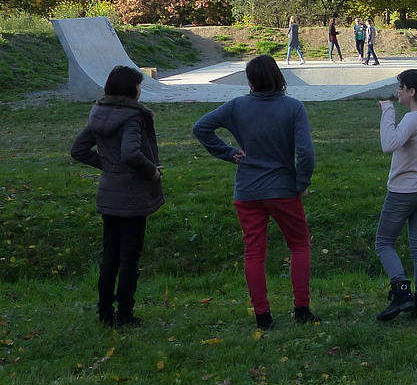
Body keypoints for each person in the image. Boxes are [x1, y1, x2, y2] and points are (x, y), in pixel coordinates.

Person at [192, 55, 318, 329]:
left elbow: (201, 128)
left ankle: (262, 315)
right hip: (283, 189)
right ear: (279, 76)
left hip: (247, 190)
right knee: (298, 246)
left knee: (254, 252)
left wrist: (227, 153)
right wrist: (301, 183)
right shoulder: (293, 107)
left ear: (250, 80)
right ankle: (301, 309)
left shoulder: (237, 106)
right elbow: (306, 152)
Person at [70, 65, 164, 327]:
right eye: (139, 85)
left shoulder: (99, 113)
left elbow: (78, 149)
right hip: (132, 196)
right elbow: (131, 154)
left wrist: (108, 167)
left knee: (110, 255)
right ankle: (125, 313)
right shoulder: (132, 117)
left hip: (109, 194)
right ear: (131, 90)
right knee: (129, 257)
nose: (140, 90)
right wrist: (152, 172)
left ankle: (104, 312)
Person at [374, 69, 417, 321]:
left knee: (383, 243)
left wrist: (388, 112)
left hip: (404, 191)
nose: (397, 91)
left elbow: (388, 144)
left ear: (412, 91)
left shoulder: (413, 118)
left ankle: (402, 292)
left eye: (400, 87)